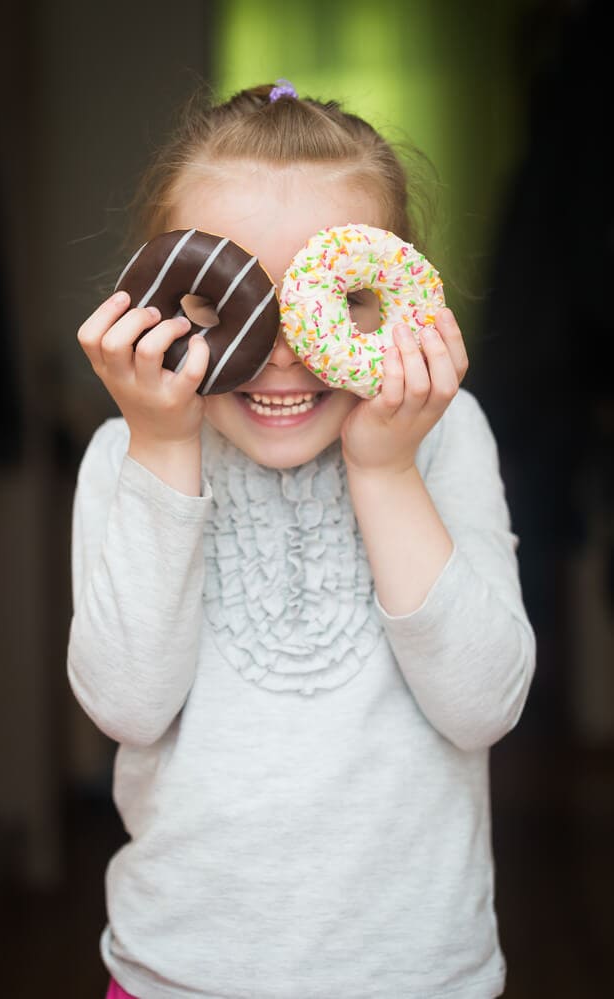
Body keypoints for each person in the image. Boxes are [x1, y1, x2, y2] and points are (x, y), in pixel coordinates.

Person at [68, 81, 536, 999]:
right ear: (160, 294)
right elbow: (126, 705)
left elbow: (484, 704)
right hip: (175, 973)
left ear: (396, 293)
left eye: (338, 299)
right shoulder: (125, 451)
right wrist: (162, 446)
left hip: (421, 977)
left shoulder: (446, 435)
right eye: (225, 304)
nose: (283, 350)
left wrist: (386, 468)